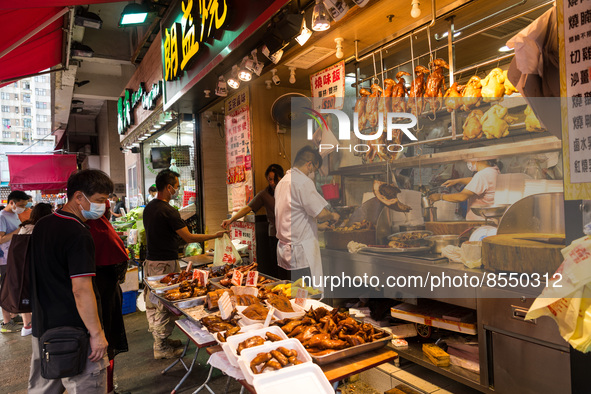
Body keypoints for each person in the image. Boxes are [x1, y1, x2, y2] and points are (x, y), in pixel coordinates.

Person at [29, 169, 111, 393]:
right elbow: (81, 289)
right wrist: (96, 334)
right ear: (78, 197)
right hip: (76, 335)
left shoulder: (43, 225)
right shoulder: (78, 233)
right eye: (99, 200)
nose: (103, 205)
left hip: (44, 330)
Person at [143, 169, 227, 359]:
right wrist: (215, 235)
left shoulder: (150, 207)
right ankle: (161, 347)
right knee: (165, 306)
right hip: (164, 264)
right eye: (177, 187)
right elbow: (188, 237)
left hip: (152, 262)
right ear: (169, 187)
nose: (178, 191)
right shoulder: (168, 211)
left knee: (158, 304)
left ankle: (163, 340)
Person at [274, 146, 339, 283]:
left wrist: (317, 227)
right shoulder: (303, 182)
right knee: (305, 298)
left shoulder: (282, 182)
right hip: (301, 256)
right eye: (314, 169)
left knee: (289, 297)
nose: (312, 173)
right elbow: (321, 214)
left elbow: (292, 214)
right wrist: (333, 216)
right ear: (309, 164)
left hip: (284, 253)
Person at [87, 199, 129, 394]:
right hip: (104, 296)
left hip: (91, 297)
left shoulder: (81, 227)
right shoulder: (102, 230)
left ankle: (105, 388)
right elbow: (120, 265)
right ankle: (107, 389)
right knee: (105, 344)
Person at [222, 164, 284, 278]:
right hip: (274, 236)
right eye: (270, 179)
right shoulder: (264, 194)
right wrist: (231, 220)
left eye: (275, 179)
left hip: (290, 236)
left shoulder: (288, 192)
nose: (272, 182)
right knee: (276, 267)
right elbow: (247, 208)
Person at [15, 202, 53, 337]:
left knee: (26, 295)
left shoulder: (24, 227)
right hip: (42, 268)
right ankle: (43, 321)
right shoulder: (47, 227)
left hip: (24, 267)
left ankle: (27, 325)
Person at [429, 159, 500, 220]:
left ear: (477, 159)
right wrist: (457, 181)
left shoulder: (482, 175)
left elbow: (462, 196)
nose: (468, 162)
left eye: (469, 159)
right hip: (489, 219)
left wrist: (440, 196)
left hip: (481, 221)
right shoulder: (493, 170)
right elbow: (477, 181)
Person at [0, 190, 30, 333]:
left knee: (13, 288)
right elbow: (1, 239)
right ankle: (6, 322)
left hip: (12, 257)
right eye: (21, 205)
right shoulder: (1, 217)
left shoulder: (14, 214)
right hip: (3, 260)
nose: (23, 207)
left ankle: (13, 315)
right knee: (5, 289)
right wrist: (19, 230)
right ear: (11, 202)